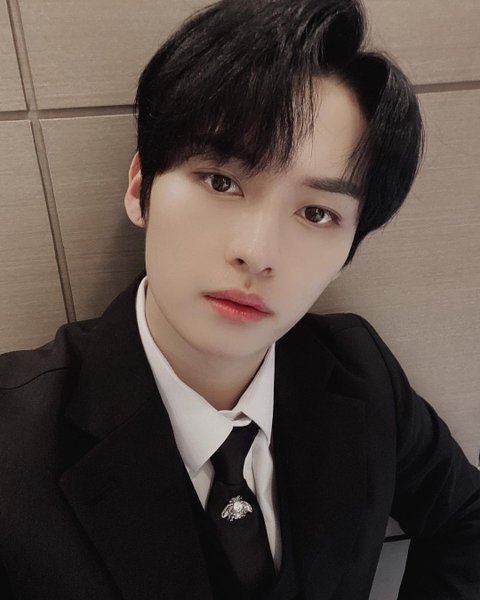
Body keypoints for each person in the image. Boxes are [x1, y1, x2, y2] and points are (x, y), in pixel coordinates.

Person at [0, 0, 479, 598]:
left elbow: (467, 519)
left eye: (317, 212)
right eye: (221, 181)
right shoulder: (14, 441)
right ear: (141, 187)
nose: (257, 253)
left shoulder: (360, 372)